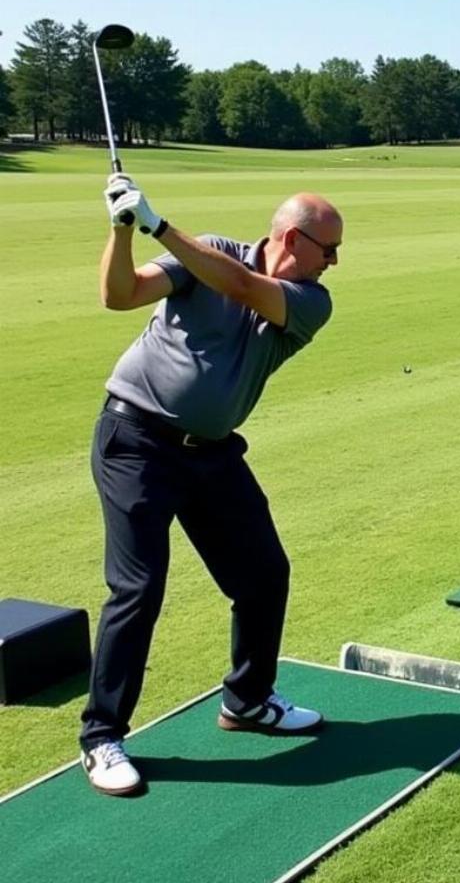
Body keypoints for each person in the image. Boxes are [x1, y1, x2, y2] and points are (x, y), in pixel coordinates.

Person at [79, 176, 342, 797]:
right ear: (291, 237)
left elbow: (245, 286)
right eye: (328, 248)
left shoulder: (310, 301)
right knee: (137, 587)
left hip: (212, 455)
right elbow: (120, 296)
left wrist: (159, 224)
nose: (335, 261)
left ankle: (247, 701)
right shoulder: (207, 251)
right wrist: (122, 229)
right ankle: (101, 738)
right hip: (135, 441)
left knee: (263, 573)